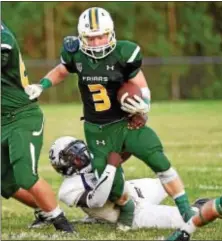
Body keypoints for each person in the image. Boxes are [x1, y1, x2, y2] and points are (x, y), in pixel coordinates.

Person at [24, 7, 195, 229]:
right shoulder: (75, 53)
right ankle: (127, 208)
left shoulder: (125, 53)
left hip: (127, 123)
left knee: (157, 157)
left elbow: (141, 86)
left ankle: (185, 208)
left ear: (111, 33)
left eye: (101, 36)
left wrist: (143, 109)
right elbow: (60, 71)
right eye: (91, 38)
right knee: (111, 184)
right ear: (81, 37)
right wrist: (42, 85)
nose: (96, 43)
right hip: (97, 129)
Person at [30, 136, 198, 230]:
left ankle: (199, 203)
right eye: (73, 154)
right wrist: (110, 167)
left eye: (80, 148)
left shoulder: (94, 158)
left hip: (135, 190)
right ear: (63, 165)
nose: (82, 154)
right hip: (134, 214)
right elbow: (97, 200)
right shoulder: (68, 190)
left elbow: (119, 156)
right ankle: (213, 206)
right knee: (189, 217)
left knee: (168, 181)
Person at [1, 22, 74, 233]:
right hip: (2, 120)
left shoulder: (3, 38)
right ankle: (45, 210)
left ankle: (63, 225)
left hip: (22, 116)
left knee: (25, 175)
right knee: (4, 182)